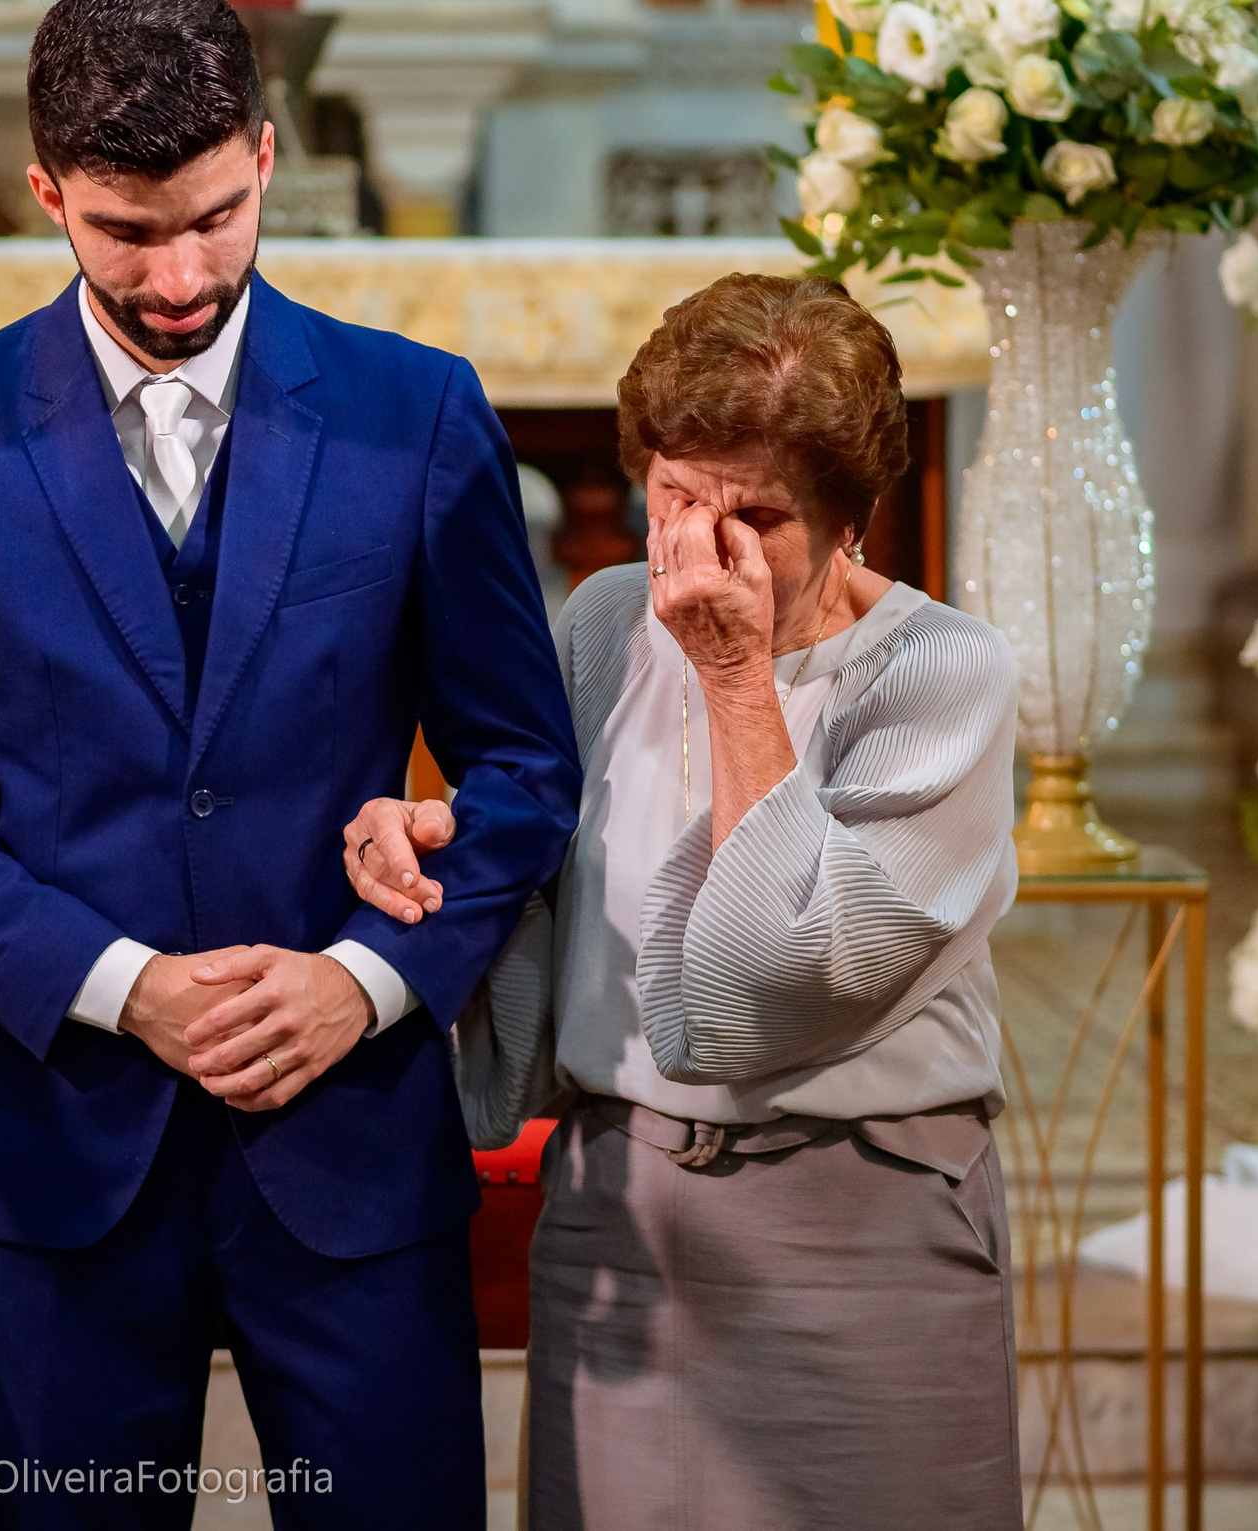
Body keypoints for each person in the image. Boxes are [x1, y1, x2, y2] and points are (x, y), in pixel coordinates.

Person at [0, 0, 581, 1529]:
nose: (180, 272)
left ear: (265, 146)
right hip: (60, 1149)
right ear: (46, 188)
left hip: (351, 1133)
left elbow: (523, 765)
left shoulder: (416, 413)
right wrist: (125, 986)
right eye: (125, 230)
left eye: (218, 216)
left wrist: (364, 977)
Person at [345, 272, 1023, 1530]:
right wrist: (435, 840)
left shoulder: (937, 675)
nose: (701, 555)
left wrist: (733, 682)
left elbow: (779, 977)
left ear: (852, 516)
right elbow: (547, 873)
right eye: (673, 501)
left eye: (754, 516)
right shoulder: (605, 620)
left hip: (860, 1229)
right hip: (626, 1217)